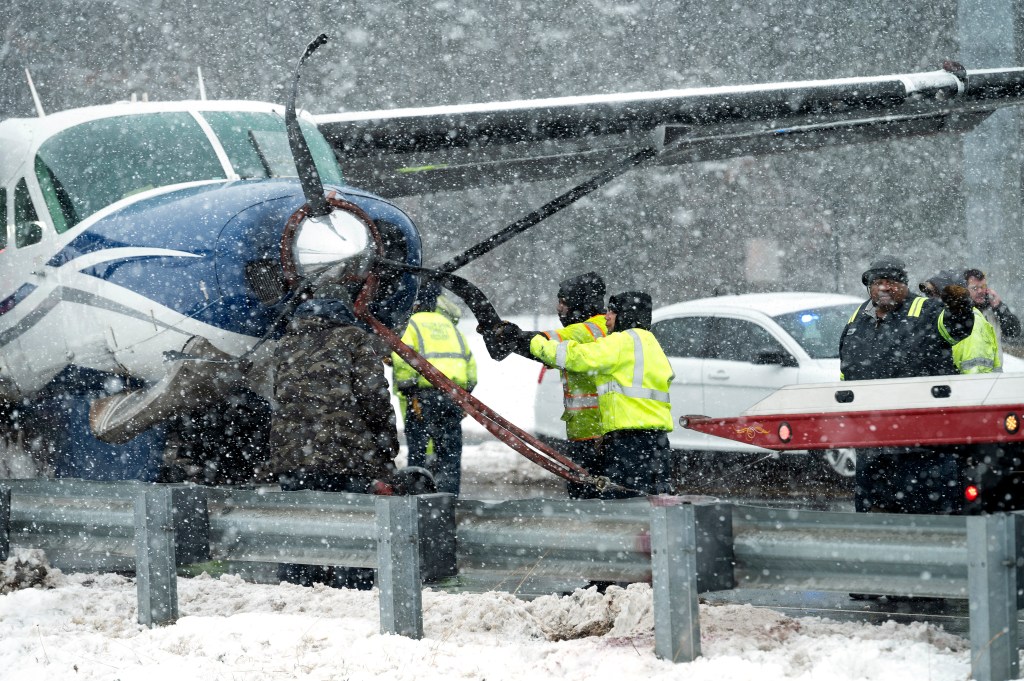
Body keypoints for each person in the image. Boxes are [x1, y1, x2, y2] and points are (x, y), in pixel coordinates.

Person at [268, 298, 400, 589]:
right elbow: (373, 396)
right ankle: (350, 594)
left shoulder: (285, 344)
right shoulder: (353, 338)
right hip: (346, 454)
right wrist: (386, 443)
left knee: (299, 530)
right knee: (352, 533)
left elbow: (280, 398)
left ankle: (297, 593)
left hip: (292, 456)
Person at [840, 256, 975, 515]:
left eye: (892, 282)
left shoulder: (928, 310)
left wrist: (961, 307)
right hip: (873, 445)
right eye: (878, 282)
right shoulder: (857, 318)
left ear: (904, 284)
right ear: (869, 287)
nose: (884, 287)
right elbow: (847, 374)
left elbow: (959, 328)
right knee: (873, 525)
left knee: (933, 520)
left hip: (925, 447)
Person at [528, 291, 674, 498]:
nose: (606, 316)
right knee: (651, 502)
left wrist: (534, 342)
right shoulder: (651, 343)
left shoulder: (622, 341)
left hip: (629, 443)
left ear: (627, 315)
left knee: (623, 504)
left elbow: (576, 357)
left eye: (613, 311)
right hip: (656, 441)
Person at [392, 281, 477, 495]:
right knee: (449, 455)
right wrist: (464, 392)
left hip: (423, 397)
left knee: (418, 453)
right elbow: (470, 365)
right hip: (453, 397)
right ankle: (448, 500)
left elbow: (402, 357)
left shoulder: (411, 323)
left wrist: (407, 386)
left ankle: (418, 498)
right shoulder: (448, 325)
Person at [919, 270, 999, 374]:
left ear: (952, 297)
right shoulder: (945, 320)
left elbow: (975, 370)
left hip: (971, 387)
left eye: (935, 294)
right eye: (929, 295)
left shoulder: (969, 322)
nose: (930, 300)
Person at [964, 268, 1022, 365]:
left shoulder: (994, 308)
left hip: (994, 373)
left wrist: (999, 307)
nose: (980, 291)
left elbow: (1014, 332)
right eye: (974, 288)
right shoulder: (960, 311)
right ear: (965, 289)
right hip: (967, 374)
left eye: (983, 286)